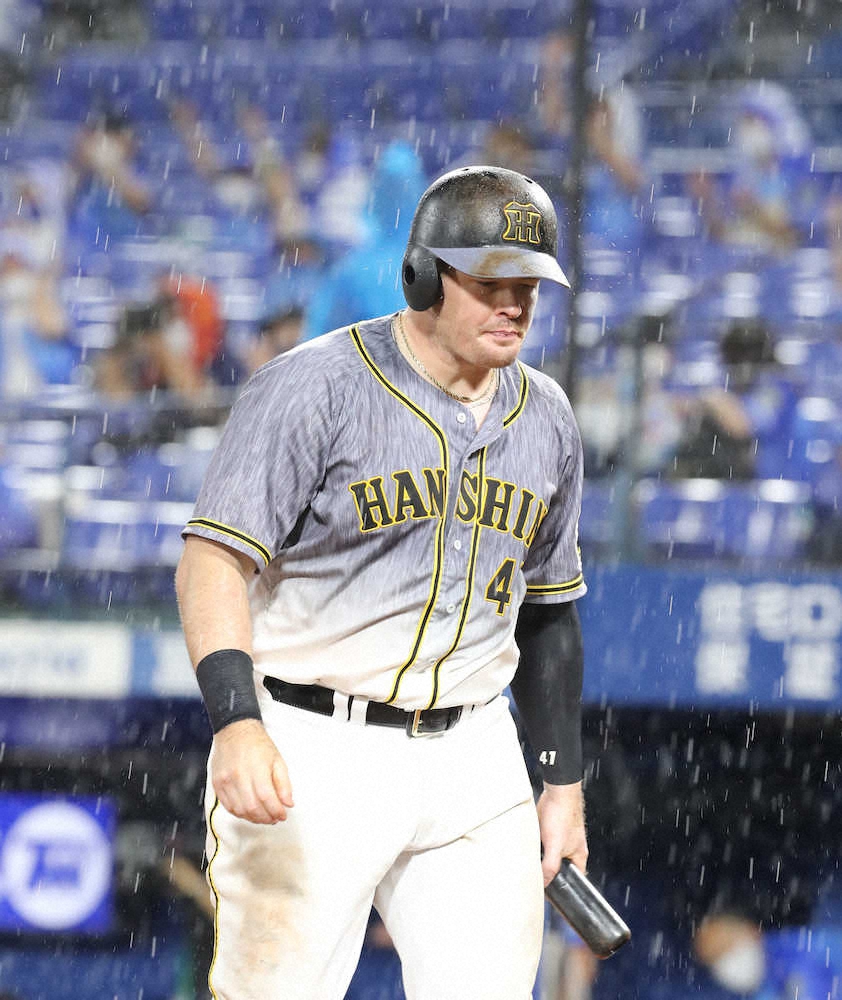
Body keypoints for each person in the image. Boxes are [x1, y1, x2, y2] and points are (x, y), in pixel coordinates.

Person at [175, 165, 588, 1000]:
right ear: (424, 276)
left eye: (529, 286)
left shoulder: (547, 416)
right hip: (314, 741)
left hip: (474, 751)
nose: (515, 304)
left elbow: (549, 613)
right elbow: (213, 562)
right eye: (491, 282)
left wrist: (562, 782)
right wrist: (237, 721)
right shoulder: (312, 386)